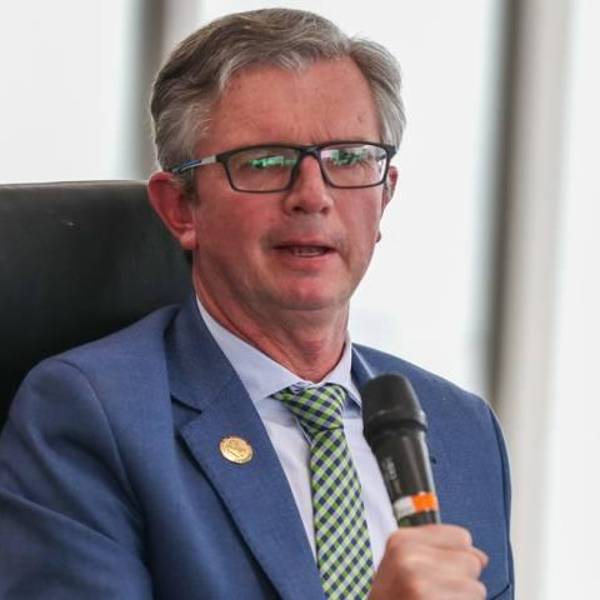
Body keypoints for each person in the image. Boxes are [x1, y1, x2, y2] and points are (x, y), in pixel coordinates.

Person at [0, 8, 513, 599]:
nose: (312, 196)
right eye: (266, 162)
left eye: (348, 159)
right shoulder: (93, 414)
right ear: (180, 209)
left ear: (385, 196)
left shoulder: (460, 427)